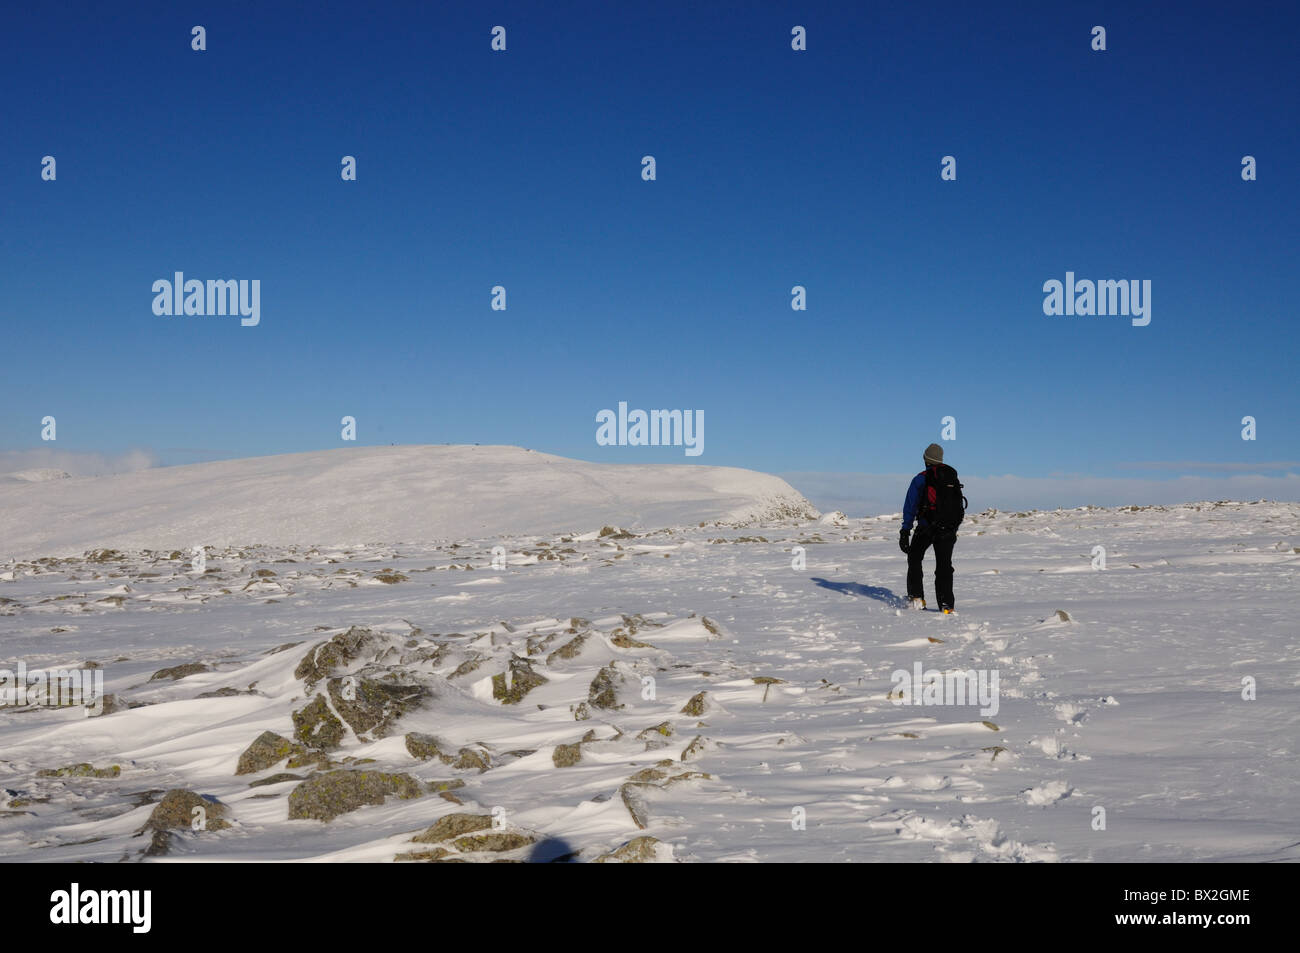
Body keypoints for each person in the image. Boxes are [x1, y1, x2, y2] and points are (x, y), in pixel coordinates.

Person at [899, 443, 958, 613]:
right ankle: (947, 605)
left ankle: (917, 598)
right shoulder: (951, 477)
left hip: (926, 527)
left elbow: (909, 507)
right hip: (947, 529)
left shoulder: (920, 479)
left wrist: (905, 530)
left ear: (926, 459)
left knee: (915, 558)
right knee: (944, 566)